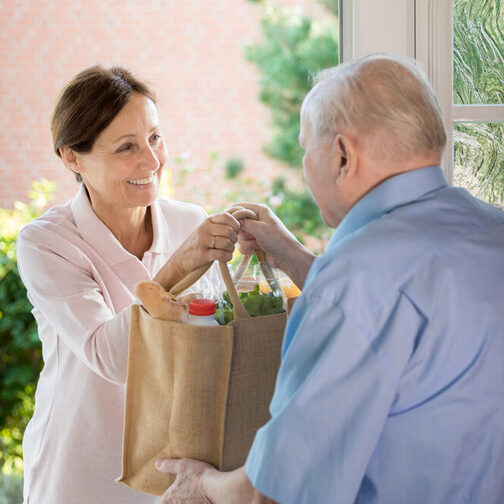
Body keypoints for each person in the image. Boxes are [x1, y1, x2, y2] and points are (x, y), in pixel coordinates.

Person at [156, 54, 504, 503]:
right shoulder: (489, 232)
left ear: (342, 154)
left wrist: (201, 487)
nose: (304, 166)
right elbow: (403, 312)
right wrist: (294, 257)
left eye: (305, 148)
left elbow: (276, 493)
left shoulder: (355, 282)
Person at [16, 65, 240, 504]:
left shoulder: (187, 222)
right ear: (72, 157)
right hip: (80, 472)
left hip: (175, 469)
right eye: (126, 148)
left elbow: (213, 340)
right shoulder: (47, 243)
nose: (151, 161)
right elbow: (112, 358)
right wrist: (178, 267)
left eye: (155, 137)